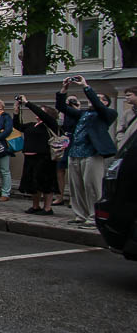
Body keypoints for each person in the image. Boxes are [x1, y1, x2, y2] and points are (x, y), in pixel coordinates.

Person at [56, 75, 117, 227]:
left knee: (92, 186)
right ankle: (80, 215)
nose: (93, 99)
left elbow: (98, 105)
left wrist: (85, 86)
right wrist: (64, 89)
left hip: (92, 153)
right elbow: (62, 107)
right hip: (75, 152)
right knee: (76, 187)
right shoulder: (83, 114)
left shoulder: (107, 114)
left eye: (99, 98)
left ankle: (94, 216)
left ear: (106, 103)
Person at [14, 95, 60, 216]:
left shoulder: (50, 124)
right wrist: (16, 111)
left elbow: (41, 113)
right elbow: (18, 126)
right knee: (33, 184)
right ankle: (35, 206)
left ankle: (47, 208)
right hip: (30, 157)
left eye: (42, 111)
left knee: (45, 183)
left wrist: (27, 103)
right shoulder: (32, 125)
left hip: (44, 158)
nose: (38, 112)